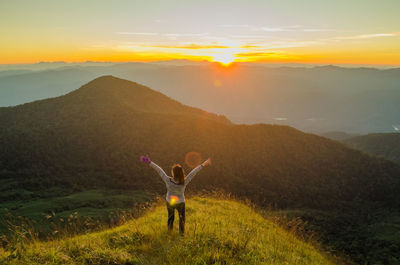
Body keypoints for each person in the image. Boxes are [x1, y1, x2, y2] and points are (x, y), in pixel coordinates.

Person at [140, 154, 211, 235]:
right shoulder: (184, 181)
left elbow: (159, 170)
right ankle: (182, 234)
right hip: (180, 202)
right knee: (182, 218)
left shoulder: (167, 180)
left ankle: (170, 232)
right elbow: (193, 172)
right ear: (181, 173)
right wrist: (204, 164)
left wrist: (149, 162)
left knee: (171, 217)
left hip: (170, 202)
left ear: (173, 173)